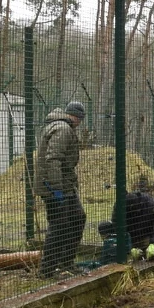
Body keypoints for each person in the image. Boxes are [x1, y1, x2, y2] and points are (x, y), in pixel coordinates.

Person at [34, 101, 87, 277]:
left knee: (77, 218)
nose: (80, 123)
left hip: (65, 186)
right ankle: (47, 270)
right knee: (59, 226)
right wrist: (56, 190)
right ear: (76, 117)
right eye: (80, 119)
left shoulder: (60, 127)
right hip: (56, 188)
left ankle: (66, 262)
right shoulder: (63, 129)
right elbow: (53, 159)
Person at [98, 176, 154, 260]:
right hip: (127, 238)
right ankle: (114, 252)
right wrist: (128, 248)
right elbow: (116, 227)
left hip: (145, 237)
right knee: (104, 226)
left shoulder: (152, 204)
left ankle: (144, 252)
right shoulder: (120, 205)